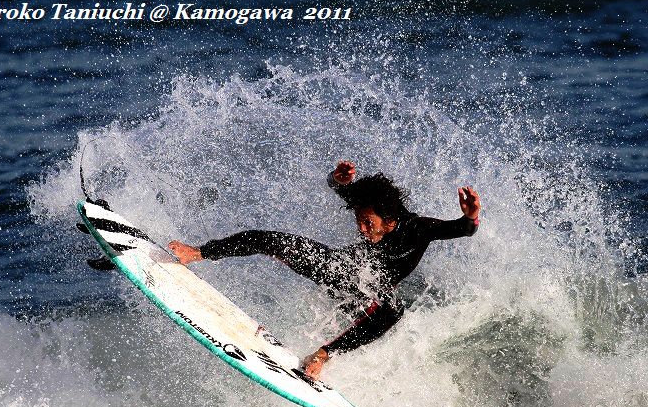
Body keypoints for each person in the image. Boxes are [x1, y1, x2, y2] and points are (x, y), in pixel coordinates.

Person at [168, 161, 481, 379]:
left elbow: (463, 230)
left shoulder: (418, 228)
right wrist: (338, 179)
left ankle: (322, 355)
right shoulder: (369, 212)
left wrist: (470, 217)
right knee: (269, 240)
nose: (361, 229)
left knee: (393, 310)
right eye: (359, 220)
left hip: (372, 293)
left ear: (389, 220)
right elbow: (337, 186)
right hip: (342, 270)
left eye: (368, 223)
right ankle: (197, 253)